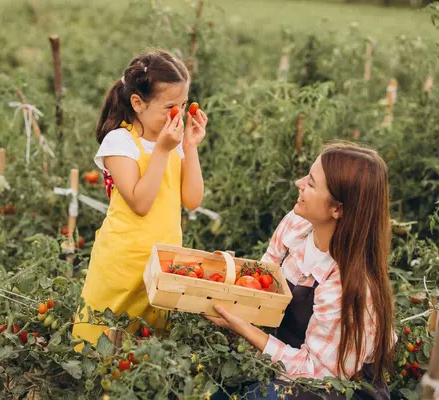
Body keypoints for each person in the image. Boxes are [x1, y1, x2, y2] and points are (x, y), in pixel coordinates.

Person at [208, 142, 395, 399]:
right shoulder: (296, 225)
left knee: (262, 395)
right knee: (218, 385)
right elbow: (265, 281)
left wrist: (246, 330)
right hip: (289, 356)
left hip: (333, 386)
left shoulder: (347, 285)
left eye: (311, 183)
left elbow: (316, 371)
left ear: (337, 209)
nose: (298, 182)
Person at [72, 49, 208, 348]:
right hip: (123, 262)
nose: (179, 114)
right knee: (102, 342)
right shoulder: (120, 141)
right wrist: (162, 149)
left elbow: (192, 199)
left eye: (183, 105)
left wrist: (190, 146)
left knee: (148, 349)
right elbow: (140, 203)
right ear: (138, 102)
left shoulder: (173, 140)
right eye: (170, 106)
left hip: (163, 262)